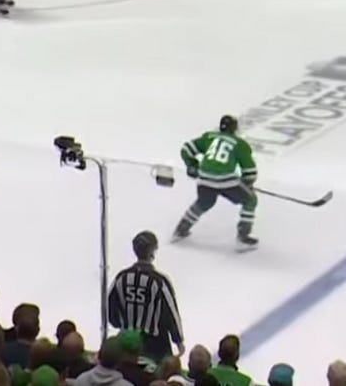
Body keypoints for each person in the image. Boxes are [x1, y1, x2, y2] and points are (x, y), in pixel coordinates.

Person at [173, 116, 259, 249]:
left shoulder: (209, 137)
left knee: (204, 202)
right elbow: (250, 171)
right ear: (235, 129)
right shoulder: (239, 144)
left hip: (204, 179)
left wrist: (192, 165)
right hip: (227, 181)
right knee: (250, 200)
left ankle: (181, 228)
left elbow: (186, 149)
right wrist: (247, 184)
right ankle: (243, 236)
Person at [105, 232, 183, 361]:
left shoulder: (122, 277)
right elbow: (170, 311)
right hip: (155, 344)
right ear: (153, 251)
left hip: (127, 338)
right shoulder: (159, 281)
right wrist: (178, 340)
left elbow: (110, 303)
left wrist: (119, 323)